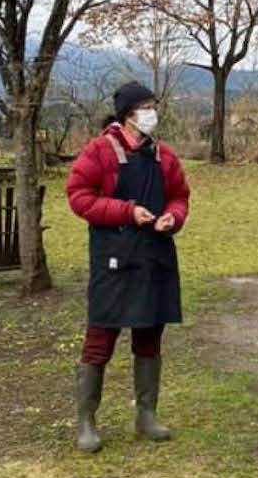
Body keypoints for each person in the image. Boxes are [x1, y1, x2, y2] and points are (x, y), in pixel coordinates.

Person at [65, 81, 190, 452]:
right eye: (146, 106)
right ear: (128, 114)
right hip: (114, 259)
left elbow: (180, 196)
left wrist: (173, 217)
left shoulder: (163, 156)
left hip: (154, 256)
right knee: (100, 337)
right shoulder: (99, 151)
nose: (153, 112)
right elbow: (78, 196)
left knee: (150, 335)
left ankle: (146, 415)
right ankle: (86, 421)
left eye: (154, 105)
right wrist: (126, 211)